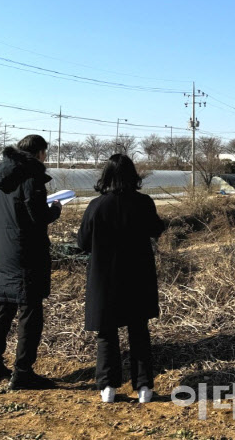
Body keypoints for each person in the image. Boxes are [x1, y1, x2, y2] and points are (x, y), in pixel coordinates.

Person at [77, 154, 164, 403]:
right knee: (139, 330)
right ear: (132, 176)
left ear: (106, 176)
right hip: (138, 277)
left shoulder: (96, 206)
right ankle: (144, 387)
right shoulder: (144, 202)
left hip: (105, 278)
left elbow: (82, 243)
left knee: (107, 332)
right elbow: (156, 230)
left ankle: (108, 388)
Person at [0, 135, 62, 390]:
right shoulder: (31, 177)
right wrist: (55, 210)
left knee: (3, 307)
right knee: (30, 312)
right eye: (45, 154)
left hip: (5, 252)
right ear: (40, 153)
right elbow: (38, 216)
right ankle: (23, 371)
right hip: (28, 254)